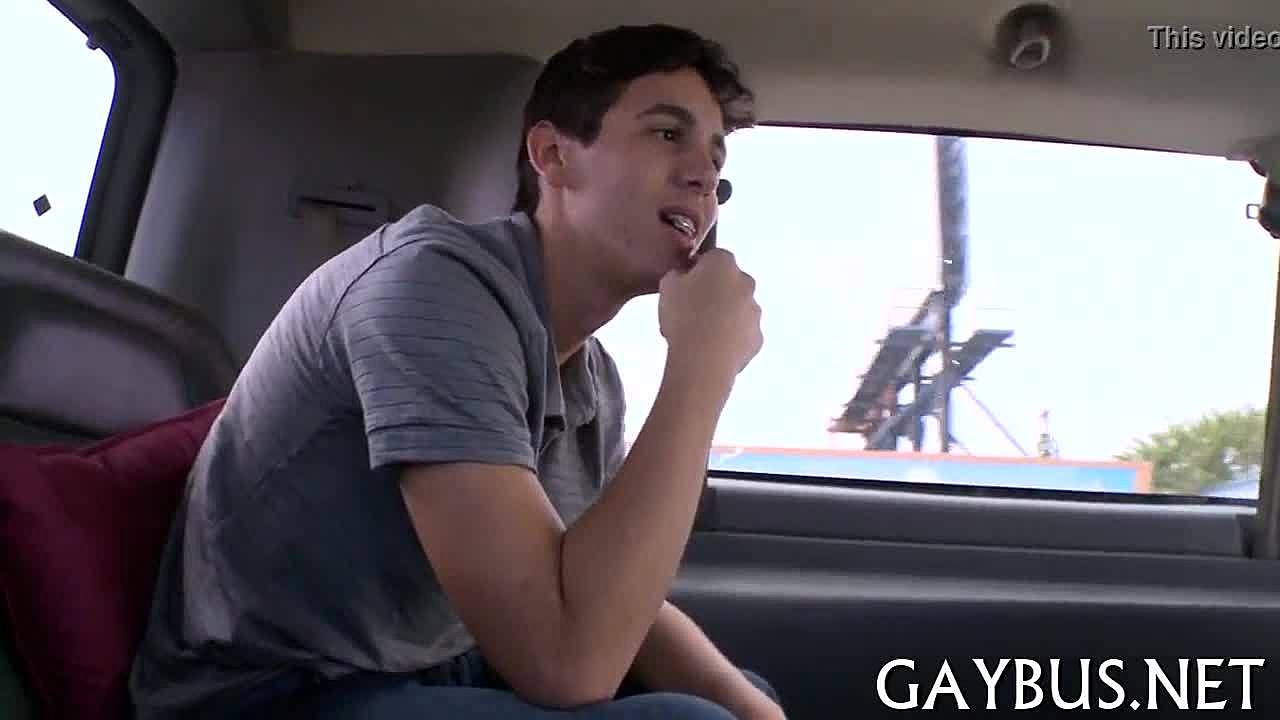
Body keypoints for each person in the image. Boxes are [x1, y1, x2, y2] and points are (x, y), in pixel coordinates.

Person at [130, 23, 777, 719]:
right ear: (554, 155)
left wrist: (753, 710)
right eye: (668, 134)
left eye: (716, 160)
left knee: (737, 697)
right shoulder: (431, 288)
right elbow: (567, 662)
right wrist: (701, 367)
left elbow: (609, 601)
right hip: (273, 690)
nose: (706, 179)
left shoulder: (592, 381)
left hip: (423, 665)